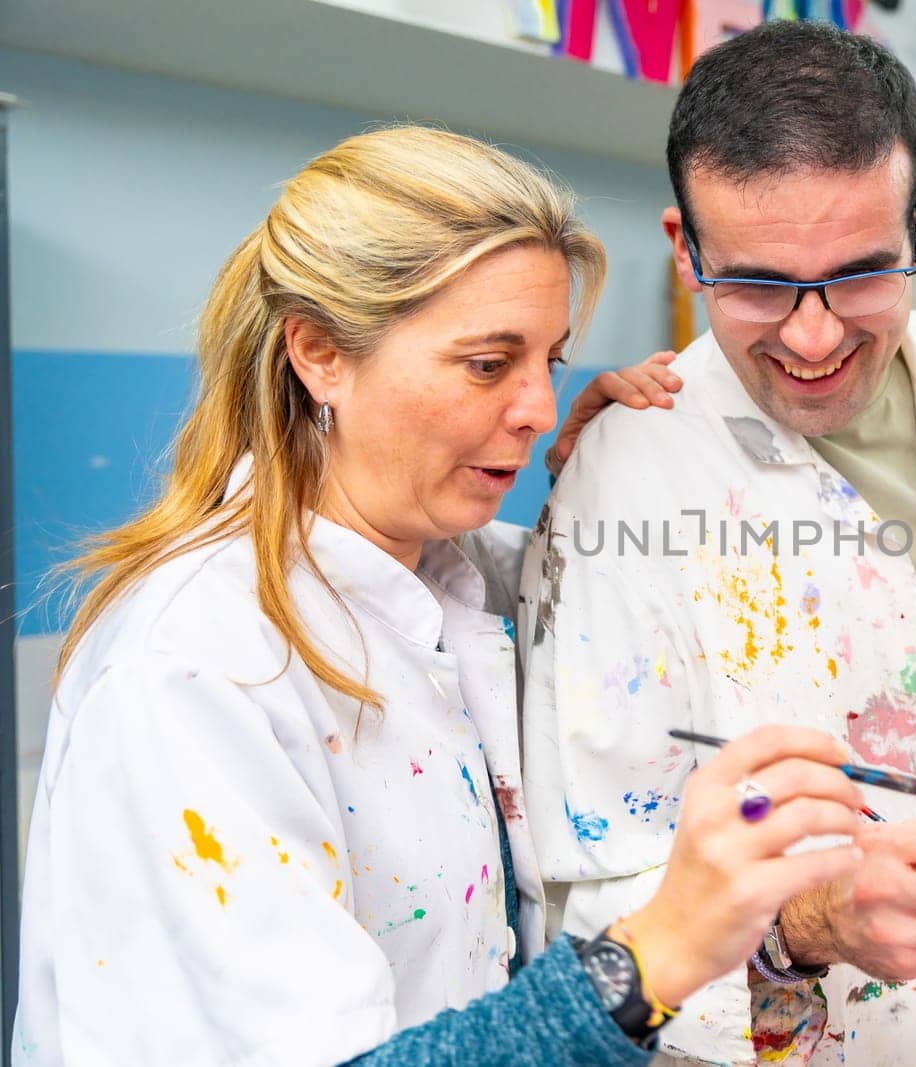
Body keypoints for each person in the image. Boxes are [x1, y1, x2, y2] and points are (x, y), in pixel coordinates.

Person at [11, 126, 869, 1065]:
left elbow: (608, 594)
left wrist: (616, 473)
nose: (539, 405)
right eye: (489, 363)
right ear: (321, 354)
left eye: (550, 358)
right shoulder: (196, 668)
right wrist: (659, 951)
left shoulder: (454, 575)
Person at [519, 20, 916, 1065]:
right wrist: (800, 925)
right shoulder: (627, 466)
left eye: (858, 274)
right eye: (757, 283)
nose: (812, 338)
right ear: (685, 249)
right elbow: (586, 883)